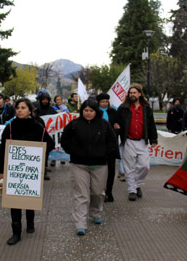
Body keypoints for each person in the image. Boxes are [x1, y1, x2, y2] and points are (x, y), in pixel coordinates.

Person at [0, 98, 55, 245]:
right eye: (18, 108)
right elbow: (2, 150)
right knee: (14, 200)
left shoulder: (37, 127)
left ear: (30, 111)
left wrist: (38, 156)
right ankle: (16, 232)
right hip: (13, 170)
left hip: (31, 170)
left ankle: (30, 223)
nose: (19, 110)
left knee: (29, 198)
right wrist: (1, 171)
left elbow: (50, 143)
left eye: (23, 108)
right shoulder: (10, 128)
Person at [61, 99, 119, 235]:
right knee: (81, 194)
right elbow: (65, 139)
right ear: (82, 111)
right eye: (86, 110)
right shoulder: (74, 124)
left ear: (95, 111)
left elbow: (112, 142)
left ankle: (96, 212)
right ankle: (80, 222)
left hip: (99, 165)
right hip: (79, 164)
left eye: (91, 111)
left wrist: (105, 155)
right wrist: (73, 151)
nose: (88, 113)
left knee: (98, 192)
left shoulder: (104, 125)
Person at [114, 83, 157, 201]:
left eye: (134, 93)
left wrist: (153, 139)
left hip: (142, 141)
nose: (132, 95)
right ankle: (132, 190)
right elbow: (117, 122)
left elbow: (151, 124)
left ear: (139, 94)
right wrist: (116, 126)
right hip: (128, 141)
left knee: (144, 166)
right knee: (129, 167)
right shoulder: (123, 108)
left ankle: (137, 184)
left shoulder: (146, 108)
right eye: (130, 93)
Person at [96, 93, 119, 202]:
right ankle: (100, 191)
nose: (105, 103)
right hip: (99, 145)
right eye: (102, 102)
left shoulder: (113, 112)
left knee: (111, 170)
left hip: (110, 145)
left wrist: (117, 127)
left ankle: (109, 192)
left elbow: (118, 125)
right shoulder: (94, 112)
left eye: (106, 101)